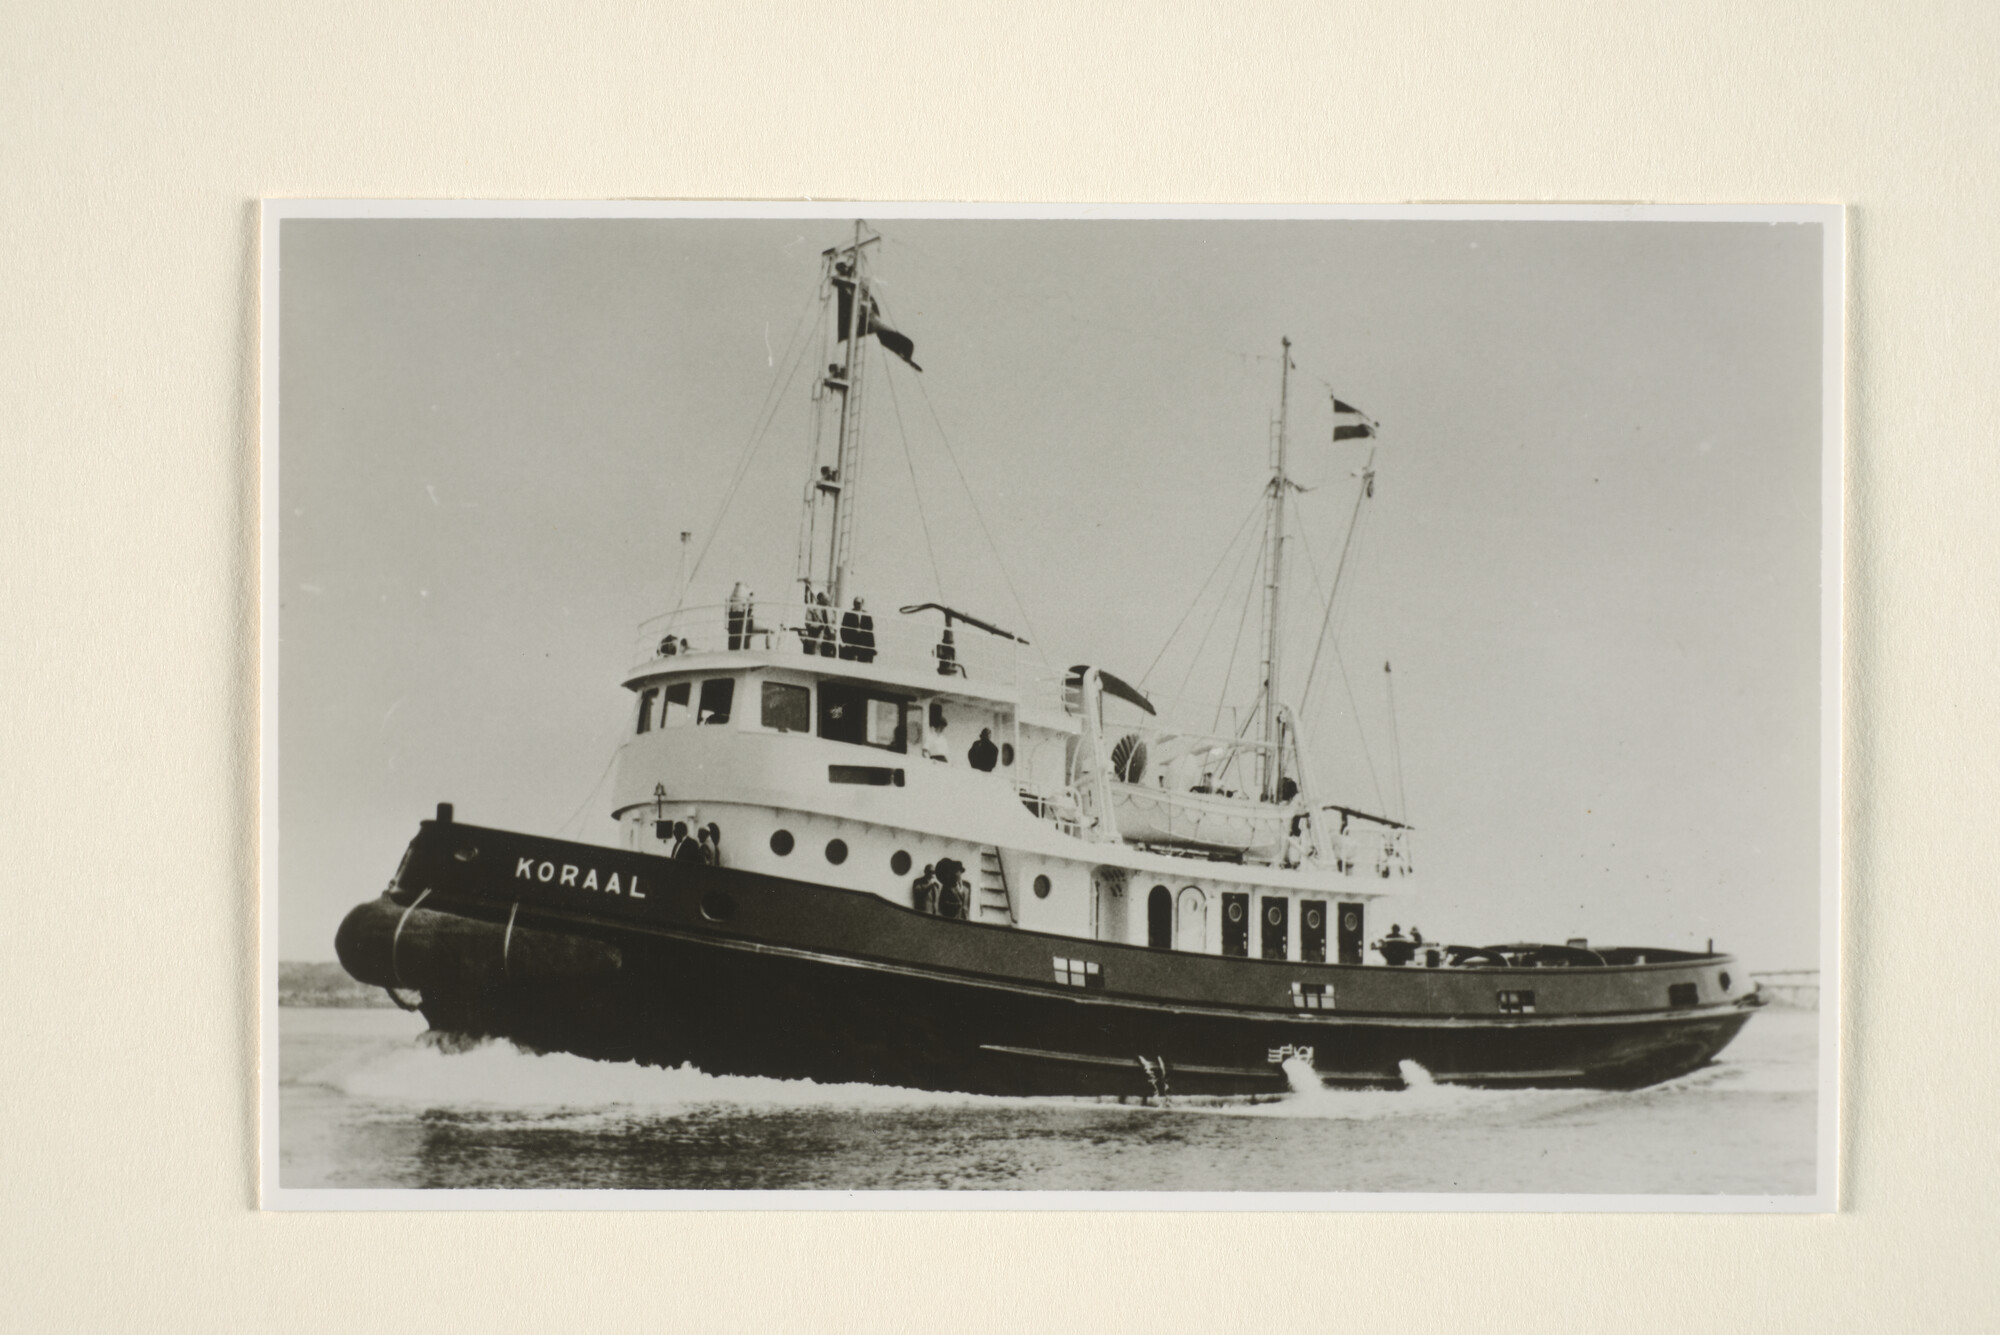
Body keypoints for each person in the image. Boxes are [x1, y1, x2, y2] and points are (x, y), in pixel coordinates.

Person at [840, 596, 877, 663]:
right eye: (856, 603)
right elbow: (843, 629)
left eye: (859, 603)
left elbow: (870, 629)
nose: (858, 605)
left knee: (864, 658)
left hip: (863, 640)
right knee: (850, 659)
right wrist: (845, 641)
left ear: (862, 604)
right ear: (854, 604)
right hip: (852, 639)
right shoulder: (848, 613)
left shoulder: (867, 614)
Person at [726, 582, 749, 650]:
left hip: (736, 615)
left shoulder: (735, 595)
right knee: (739, 637)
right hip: (740, 615)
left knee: (735, 639)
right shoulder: (741, 595)